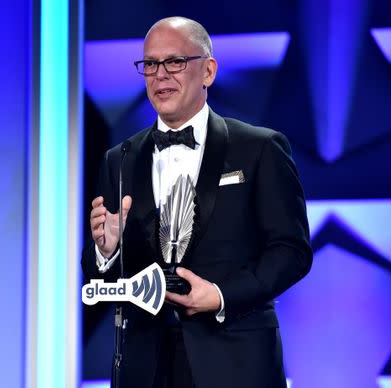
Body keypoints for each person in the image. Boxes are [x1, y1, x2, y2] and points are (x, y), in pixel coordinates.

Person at [81, 16, 312, 388]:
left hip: (235, 361)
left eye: (175, 62)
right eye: (150, 64)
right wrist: (106, 253)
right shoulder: (118, 158)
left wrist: (221, 295)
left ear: (207, 70)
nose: (160, 75)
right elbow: (99, 276)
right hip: (144, 367)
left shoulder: (260, 148)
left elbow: (291, 251)